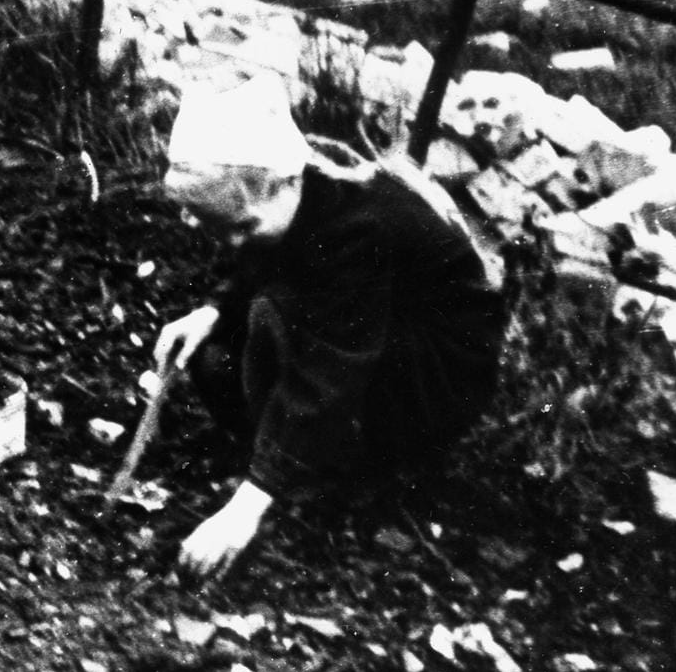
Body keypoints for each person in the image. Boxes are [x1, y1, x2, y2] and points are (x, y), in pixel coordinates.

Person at [150, 74, 504, 576]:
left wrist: (248, 504)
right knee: (215, 355)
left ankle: (326, 470)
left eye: (243, 226)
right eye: (220, 231)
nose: (233, 242)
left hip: (434, 375)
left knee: (276, 316)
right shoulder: (303, 201)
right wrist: (210, 309)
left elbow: (329, 367)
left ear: (288, 180)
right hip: (372, 345)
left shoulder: (359, 229)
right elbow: (257, 257)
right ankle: (294, 459)